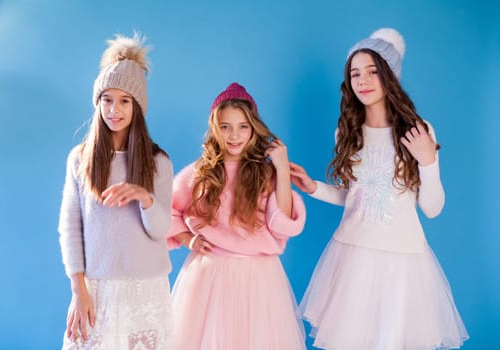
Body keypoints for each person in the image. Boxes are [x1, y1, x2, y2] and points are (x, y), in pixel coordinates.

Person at [290, 28, 468, 350]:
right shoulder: (348, 133)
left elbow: (432, 208)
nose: (363, 81)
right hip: (353, 254)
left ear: (390, 76)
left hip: (403, 260)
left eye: (373, 71)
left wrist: (427, 161)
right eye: (355, 74)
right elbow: (356, 197)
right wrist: (313, 187)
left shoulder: (418, 130)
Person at [167, 82, 306, 350]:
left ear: (254, 129)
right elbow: (169, 212)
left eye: (243, 126)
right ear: (215, 129)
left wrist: (282, 170)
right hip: (209, 275)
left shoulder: (266, 174)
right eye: (225, 127)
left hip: (258, 277)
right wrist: (189, 240)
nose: (234, 135)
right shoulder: (201, 173)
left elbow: (283, 225)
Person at [58, 33, 173, 350]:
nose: (114, 109)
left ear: (138, 106)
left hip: (146, 289)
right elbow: (71, 228)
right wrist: (78, 289)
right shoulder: (80, 160)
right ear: (98, 103)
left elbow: (162, 229)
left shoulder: (158, 162)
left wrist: (144, 197)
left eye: (124, 101)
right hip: (97, 288)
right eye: (107, 99)